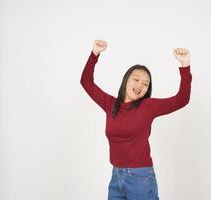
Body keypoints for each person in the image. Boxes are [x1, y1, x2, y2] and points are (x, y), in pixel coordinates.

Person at [80, 39, 192, 200]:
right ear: (126, 80)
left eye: (146, 84)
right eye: (136, 79)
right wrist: (94, 54)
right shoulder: (110, 104)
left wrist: (185, 65)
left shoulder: (148, 106)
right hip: (116, 176)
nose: (140, 85)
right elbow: (86, 82)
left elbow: (181, 99)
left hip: (141, 178)